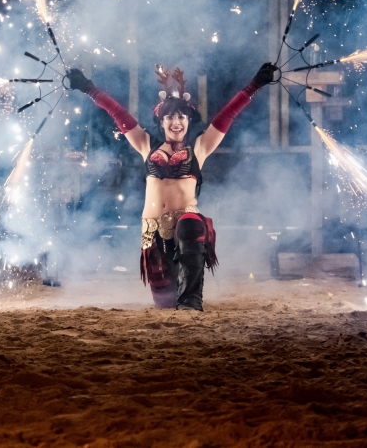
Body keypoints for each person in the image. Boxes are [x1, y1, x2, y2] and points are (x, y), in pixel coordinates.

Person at [65, 62, 276, 310]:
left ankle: (191, 302)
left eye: (181, 117)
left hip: (186, 224)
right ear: (161, 121)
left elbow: (227, 115)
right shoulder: (145, 144)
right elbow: (117, 113)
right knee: (165, 303)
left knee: (189, 225)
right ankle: (178, 298)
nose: (176, 122)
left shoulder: (200, 147)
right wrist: (89, 89)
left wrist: (255, 85)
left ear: (188, 120)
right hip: (152, 231)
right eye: (170, 117)